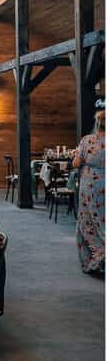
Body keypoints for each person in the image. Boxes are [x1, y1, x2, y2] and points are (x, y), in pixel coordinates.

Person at [73, 106, 105, 274]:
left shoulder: (87, 140)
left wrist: (76, 156)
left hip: (90, 186)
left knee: (88, 220)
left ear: (97, 123)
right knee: (103, 220)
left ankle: (96, 257)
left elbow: (76, 163)